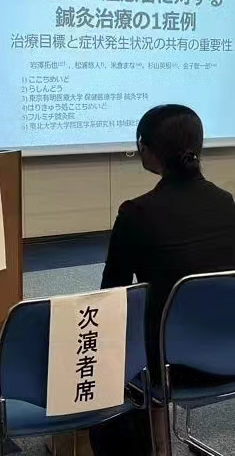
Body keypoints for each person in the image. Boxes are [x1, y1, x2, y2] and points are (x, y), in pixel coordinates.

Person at [90, 105, 235, 455]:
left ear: (146, 149)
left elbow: (112, 296)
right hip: (230, 355)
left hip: (167, 367)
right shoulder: (227, 203)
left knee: (102, 349)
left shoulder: (136, 214)